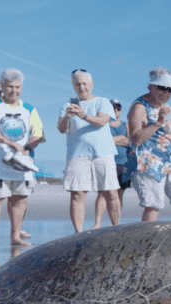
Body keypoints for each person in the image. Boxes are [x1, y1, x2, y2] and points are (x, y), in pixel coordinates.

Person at [0, 68, 44, 248]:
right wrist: (9, 142)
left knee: (19, 198)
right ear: (3, 87)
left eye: (17, 87)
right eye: (10, 87)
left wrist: (27, 147)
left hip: (22, 163)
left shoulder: (29, 109)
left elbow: (37, 134)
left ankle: (15, 236)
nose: (14, 91)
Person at [127, 67, 171, 222]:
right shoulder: (139, 106)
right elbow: (136, 139)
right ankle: (147, 244)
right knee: (153, 205)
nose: (166, 93)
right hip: (149, 163)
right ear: (151, 86)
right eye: (162, 88)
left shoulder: (169, 110)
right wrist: (158, 122)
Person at [58, 70, 120, 233]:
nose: (82, 87)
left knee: (110, 192)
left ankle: (117, 229)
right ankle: (78, 234)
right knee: (77, 194)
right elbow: (61, 129)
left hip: (103, 153)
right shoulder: (67, 105)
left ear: (91, 85)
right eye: (78, 84)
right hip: (77, 154)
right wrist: (66, 116)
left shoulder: (103, 101)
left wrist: (83, 115)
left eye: (85, 83)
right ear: (73, 86)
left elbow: (101, 121)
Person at [93, 99, 135, 229]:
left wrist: (113, 140)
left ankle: (115, 223)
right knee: (102, 193)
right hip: (107, 160)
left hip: (123, 162)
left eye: (118, 108)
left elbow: (130, 142)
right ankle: (97, 223)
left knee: (119, 194)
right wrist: (118, 139)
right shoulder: (103, 124)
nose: (116, 110)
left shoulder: (125, 125)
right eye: (113, 108)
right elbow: (99, 141)